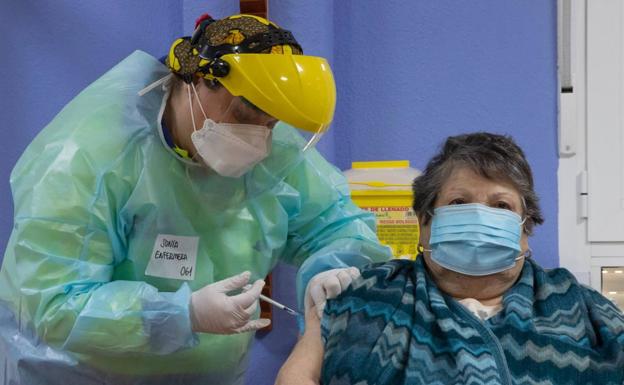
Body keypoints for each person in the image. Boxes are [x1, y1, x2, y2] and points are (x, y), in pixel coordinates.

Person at [0, 13, 391, 385]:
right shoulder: (91, 156)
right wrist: (180, 314)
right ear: (196, 81)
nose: (259, 137)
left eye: (271, 122)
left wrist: (333, 270)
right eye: (245, 112)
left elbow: (338, 225)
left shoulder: (275, 151)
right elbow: (51, 306)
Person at [276, 132, 624, 385]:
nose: (479, 215)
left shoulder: (580, 308)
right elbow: (297, 377)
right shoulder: (368, 293)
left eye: (501, 205)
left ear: (525, 226)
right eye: (458, 202)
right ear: (425, 221)